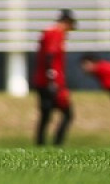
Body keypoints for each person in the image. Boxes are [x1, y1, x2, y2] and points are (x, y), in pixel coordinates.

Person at [31, 8, 76, 146]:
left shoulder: (47, 32)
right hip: (51, 82)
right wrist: (52, 79)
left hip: (42, 80)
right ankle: (57, 144)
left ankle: (41, 144)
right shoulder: (56, 33)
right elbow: (50, 55)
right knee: (67, 113)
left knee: (46, 114)